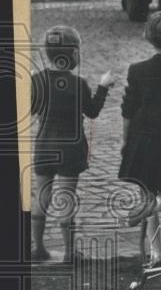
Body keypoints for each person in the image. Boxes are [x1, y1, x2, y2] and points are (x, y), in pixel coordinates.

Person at [30, 26, 114, 263]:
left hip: (44, 146)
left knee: (41, 197)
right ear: (74, 54)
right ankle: (69, 254)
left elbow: (31, 109)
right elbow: (93, 112)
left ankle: (38, 249)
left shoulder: (36, 80)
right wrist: (104, 86)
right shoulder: (79, 84)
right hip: (70, 148)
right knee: (66, 198)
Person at [117, 12, 161, 266]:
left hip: (141, 137)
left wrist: (125, 141)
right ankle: (155, 246)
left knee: (148, 194)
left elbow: (128, 110)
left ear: (148, 37)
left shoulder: (137, 70)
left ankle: (158, 250)